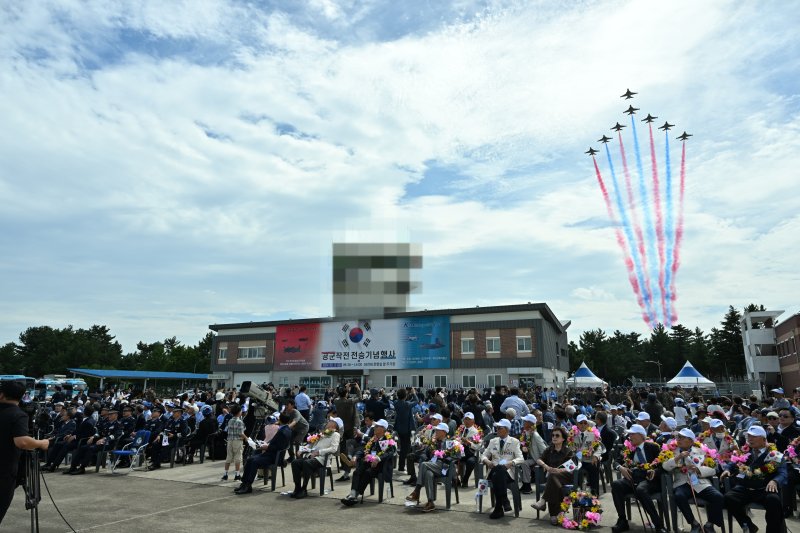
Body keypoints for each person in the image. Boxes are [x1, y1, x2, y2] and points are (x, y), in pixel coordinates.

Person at [721, 425, 787, 533]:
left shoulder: (775, 455)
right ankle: (748, 525)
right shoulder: (745, 452)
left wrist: (775, 481)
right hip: (746, 487)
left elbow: (783, 473)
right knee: (728, 497)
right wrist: (727, 469)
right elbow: (733, 463)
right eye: (748, 436)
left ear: (764, 439)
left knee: (773, 500)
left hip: (764, 488)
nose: (750, 439)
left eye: (754, 436)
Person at [0, 381, 49, 525]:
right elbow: (22, 442)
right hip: (3, 473)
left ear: (2, 395)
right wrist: (42, 443)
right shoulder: (17, 414)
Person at [662, 428, 724, 533]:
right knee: (679, 496)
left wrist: (699, 470)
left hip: (700, 482)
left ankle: (709, 524)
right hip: (682, 483)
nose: (679, 439)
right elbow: (665, 466)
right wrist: (677, 458)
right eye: (678, 437)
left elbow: (713, 469)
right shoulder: (671, 450)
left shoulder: (701, 450)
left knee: (718, 497)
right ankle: (694, 524)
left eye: (682, 437)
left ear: (691, 441)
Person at [609, 424, 667, 533]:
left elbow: (663, 465)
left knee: (641, 489)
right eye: (629, 434)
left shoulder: (653, 447)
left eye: (632, 434)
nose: (629, 437)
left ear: (641, 436)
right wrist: (620, 467)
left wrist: (655, 471)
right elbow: (616, 461)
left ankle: (658, 524)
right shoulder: (629, 448)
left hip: (649, 480)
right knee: (616, 484)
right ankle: (622, 520)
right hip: (632, 478)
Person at [234, 411, 292, 494]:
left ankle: (248, 485)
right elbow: (276, 442)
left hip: (274, 456)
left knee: (254, 462)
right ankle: (244, 483)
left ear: (280, 419)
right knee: (250, 459)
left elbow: (279, 447)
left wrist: (267, 446)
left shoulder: (283, 431)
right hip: (271, 453)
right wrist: (266, 443)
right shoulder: (285, 429)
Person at [340, 419, 396, 506]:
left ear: (383, 429)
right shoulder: (373, 439)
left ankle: (355, 495)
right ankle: (353, 493)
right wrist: (356, 457)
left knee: (367, 473)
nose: (374, 428)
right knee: (357, 472)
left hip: (381, 466)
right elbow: (363, 450)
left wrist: (378, 458)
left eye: (377, 426)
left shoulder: (388, 439)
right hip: (369, 463)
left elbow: (390, 452)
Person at [404, 422, 458, 512]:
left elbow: (456, 456)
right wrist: (426, 454)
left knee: (424, 465)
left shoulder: (450, 442)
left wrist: (443, 456)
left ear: (444, 432)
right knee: (428, 473)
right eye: (436, 430)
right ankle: (430, 502)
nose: (436, 431)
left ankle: (417, 491)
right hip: (432, 466)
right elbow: (425, 453)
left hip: (444, 467)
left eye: (438, 430)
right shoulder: (434, 442)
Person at [531, 426, 575, 524]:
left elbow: (571, 467)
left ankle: (544, 502)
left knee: (552, 476)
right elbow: (539, 459)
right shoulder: (549, 449)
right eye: (553, 435)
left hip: (565, 476)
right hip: (553, 477)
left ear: (563, 438)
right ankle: (557, 513)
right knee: (553, 480)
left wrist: (558, 470)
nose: (554, 437)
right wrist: (546, 466)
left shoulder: (568, 451)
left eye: (557, 435)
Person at [481, 418, 524, 519]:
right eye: (496, 428)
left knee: (499, 472)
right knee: (498, 470)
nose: (497, 430)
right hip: (493, 470)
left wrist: (511, 462)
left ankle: (498, 508)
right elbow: (483, 455)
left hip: (508, 473)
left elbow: (520, 458)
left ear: (507, 429)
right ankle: (504, 500)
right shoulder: (493, 441)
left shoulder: (514, 441)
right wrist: (487, 461)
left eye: (500, 428)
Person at [290, 418, 342, 498]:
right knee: (295, 462)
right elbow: (310, 444)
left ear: (335, 426)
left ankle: (304, 489)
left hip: (322, 459)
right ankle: (297, 488)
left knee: (306, 463)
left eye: (330, 423)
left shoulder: (336, 434)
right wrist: (301, 450)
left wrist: (319, 452)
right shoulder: (323, 433)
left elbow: (333, 449)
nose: (327, 424)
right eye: (328, 423)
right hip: (311, 457)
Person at [519, 413, 547, 494]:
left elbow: (544, 450)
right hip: (532, 457)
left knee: (524, 463)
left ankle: (527, 486)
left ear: (530, 424)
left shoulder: (535, 435)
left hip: (538, 458)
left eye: (525, 422)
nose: (523, 423)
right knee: (522, 462)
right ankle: (525, 484)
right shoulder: (527, 433)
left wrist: (541, 462)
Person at [222, 404, 246, 481]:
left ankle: (225, 474)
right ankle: (237, 475)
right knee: (238, 458)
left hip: (230, 440)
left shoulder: (230, 420)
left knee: (228, 457)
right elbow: (241, 433)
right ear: (239, 412)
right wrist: (247, 438)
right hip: (237, 441)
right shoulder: (240, 422)